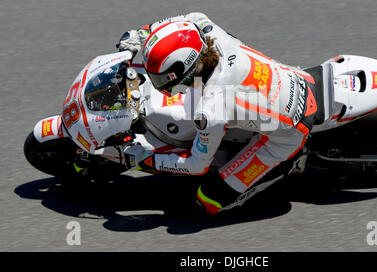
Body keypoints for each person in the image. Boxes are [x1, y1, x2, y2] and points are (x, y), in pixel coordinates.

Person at [118, 12, 318, 214]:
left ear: (186, 70)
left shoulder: (210, 110)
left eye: (160, 79)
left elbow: (196, 165)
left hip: (291, 133)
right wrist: (141, 33)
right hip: (296, 78)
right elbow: (194, 15)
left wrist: (145, 159)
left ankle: (290, 163)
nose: (158, 84)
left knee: (209, 201)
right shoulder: (215, 37)